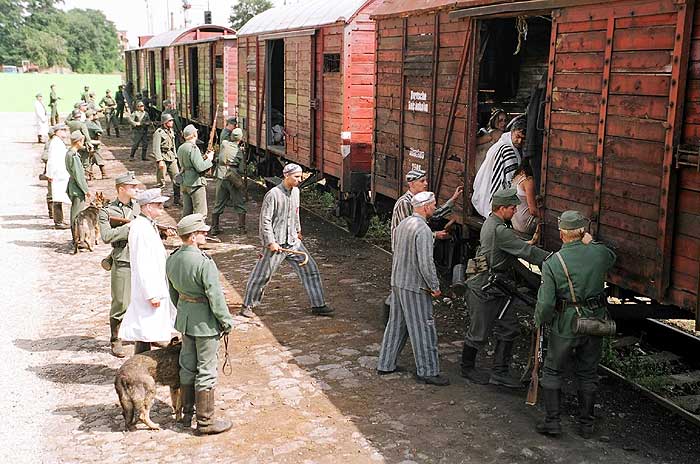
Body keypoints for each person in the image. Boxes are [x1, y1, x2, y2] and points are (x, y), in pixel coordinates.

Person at [534, 211, 616, 439]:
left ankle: (553, 422)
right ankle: (586, 425)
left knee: (552, 370)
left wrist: (539, 321)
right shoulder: (599, 254)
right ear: (583, 232)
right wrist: (590, 241)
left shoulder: (553, 262)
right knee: (588, 373)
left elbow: (546, 303)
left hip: (566, 323)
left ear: (562, 234)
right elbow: (611, 256)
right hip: (595, 321)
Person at [461, 188, 550, 387]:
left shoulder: (492, 222)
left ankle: (499, 372)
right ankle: (467, 368)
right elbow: (526, 252)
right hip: (485, 287)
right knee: (478, 331)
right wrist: (553, 259)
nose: (515, 211)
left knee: (509, 327)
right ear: (502, 208)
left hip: (496, 286)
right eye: (512, 207)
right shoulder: (499, 230)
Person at [166, 213, 235, 435]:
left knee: (187, 366)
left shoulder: (172, 258)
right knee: (206, 369)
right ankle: (205, 422)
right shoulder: (204, 262)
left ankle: (187, 416)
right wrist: (225, 321)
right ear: (193, 236)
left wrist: (184, 312)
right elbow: (215, 297)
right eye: (202, 232)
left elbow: (173, 293)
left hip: (185, 320)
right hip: (205, 322)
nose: (206, 234)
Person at [240, 163, 333, 319]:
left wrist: (298, 230)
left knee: (311, 269)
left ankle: (318, 305)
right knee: (262, 274)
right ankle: (247, 305)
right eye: (296, 177)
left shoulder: (296, 191)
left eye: (300, 176)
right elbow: (265, 221)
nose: (299, 179)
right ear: (286, 175)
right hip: (276, 243)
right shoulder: (273, 194)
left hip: (292, 241)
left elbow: (295, 212)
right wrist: (270, 242)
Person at [377, 191, 449, 386]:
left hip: (398, 282)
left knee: (396, 325)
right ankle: (428, 371)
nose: (435, 208)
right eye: (433, 205)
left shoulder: (403, 224)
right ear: (425, 207)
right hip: (414, 286)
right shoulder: (423, 230)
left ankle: (385, 364)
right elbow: (426, 263)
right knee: (423, 326)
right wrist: (434, 286)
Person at [381, 169, 463, 323]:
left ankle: (395, 321)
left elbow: (435, 214)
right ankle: (390, 320)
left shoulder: (417, 201)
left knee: (402, 286)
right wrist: (434, 235)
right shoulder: (405, 203)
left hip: (408, 250)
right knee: (401, 286)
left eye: (425, 180)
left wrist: (453, 199)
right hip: (404, 251)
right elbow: (410, 232)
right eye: (422, 181)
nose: (426, 184)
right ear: (412, 184)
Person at [119, 188, 177, 354]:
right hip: (149, 288)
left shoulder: (147, 225)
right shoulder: (141, 228)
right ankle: (140, 364)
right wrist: (151, 293)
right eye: (158, 204)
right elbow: (143, 263)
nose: (162, 208)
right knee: (144, 330)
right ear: (147, 206)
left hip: (154, 284)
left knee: (147, 329)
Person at [98, 172, 141, 358]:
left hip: (140, 258)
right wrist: (128, 227)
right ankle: (116, 339)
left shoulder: (139, 207)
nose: (136, 189)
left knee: (142, 298)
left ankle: (142, 336)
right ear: (121, 189)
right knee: (121, 302)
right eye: (133, 187)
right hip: (123, 259)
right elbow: (106, 236)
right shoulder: (106, 212)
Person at [472, 118, 527, 218]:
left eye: (523, 139)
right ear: (512, 132)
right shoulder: (507, 150)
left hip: (482, 193)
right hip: (492, 200)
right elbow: (511, 182)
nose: (519, 141)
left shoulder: (500, 143)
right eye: (517, 136)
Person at [211, 127, 247, 236]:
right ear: (240, 139)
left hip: (221, 175)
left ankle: (214, 228)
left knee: (218, 203)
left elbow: (224, 136)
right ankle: (241, 228)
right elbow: (241, 169)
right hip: (233, 177)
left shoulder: (224, 144)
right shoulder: (239, 152)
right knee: (239, 202)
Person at [178, 124, 213, 217]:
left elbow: (189, 163)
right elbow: (200, 167)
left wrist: (203, 157)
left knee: (187, 213)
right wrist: (209, 159)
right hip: (195, 183)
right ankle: (198, 230)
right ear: (194, 134)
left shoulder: (181, 147)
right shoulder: (193, 148)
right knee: (200, 213)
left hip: (185, 182)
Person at [65, 131, 89, 243]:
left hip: (73, 186)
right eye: (82, 141)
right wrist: (86, 190)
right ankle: (77, 239)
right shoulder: (74, 155)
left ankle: (77, 238)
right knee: (77, 215)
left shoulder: (70, 153)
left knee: (75, 213)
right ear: (78, 142)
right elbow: (79, 175)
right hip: (77, 188)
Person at [45, 123, 71, 229]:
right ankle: (58, 221)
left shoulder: (58, 142)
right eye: (62, 130)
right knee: (57, 198)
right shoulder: (55, 143)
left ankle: (60, 220)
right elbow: (51, 160)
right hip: (57, 174)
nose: (65, 132)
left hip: (61, 174)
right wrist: (50, 174)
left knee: (59, 197)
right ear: (57, 132)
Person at [152, 113, 181, 206]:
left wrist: (176, 157)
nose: (172, 122)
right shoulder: (158, 133)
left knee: (177, 179)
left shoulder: (171, 131)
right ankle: (160, 202)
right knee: (161, 182)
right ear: (165, 122)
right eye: (170, 121)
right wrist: (159, 160)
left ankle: (177, 199)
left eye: (172, 120)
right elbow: (156, 148)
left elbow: (173, 146)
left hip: (171, 157)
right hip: (163, 157)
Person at [510, 160, 540, 239]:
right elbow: (533, 211)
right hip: (526, 225)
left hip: (515, 223)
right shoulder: (528, 180)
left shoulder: (516, 177)